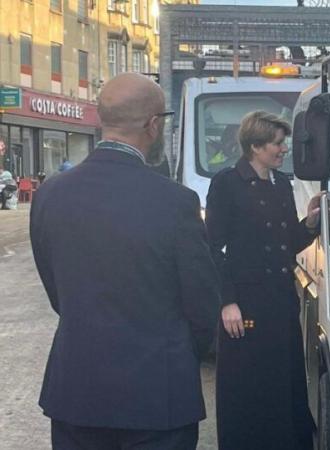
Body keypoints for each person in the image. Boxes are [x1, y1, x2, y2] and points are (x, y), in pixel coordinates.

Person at [30, 73, 221, 450]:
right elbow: (202, 305)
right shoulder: (176, 202)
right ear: (153, 124)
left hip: (77, 390)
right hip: (158, 394)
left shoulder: (50, 194)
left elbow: (56, 291)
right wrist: (179, 353)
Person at [206, 110, 330, 450]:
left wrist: (309, 223)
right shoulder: (226, 183)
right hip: (245, 305)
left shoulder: (281, 185)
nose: (283, 150)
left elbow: (286, 244)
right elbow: (211, 247)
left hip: (279, 303)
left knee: (282, 385)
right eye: (278, 144)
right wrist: (227, 300)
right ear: (256, 146)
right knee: (247, 389)